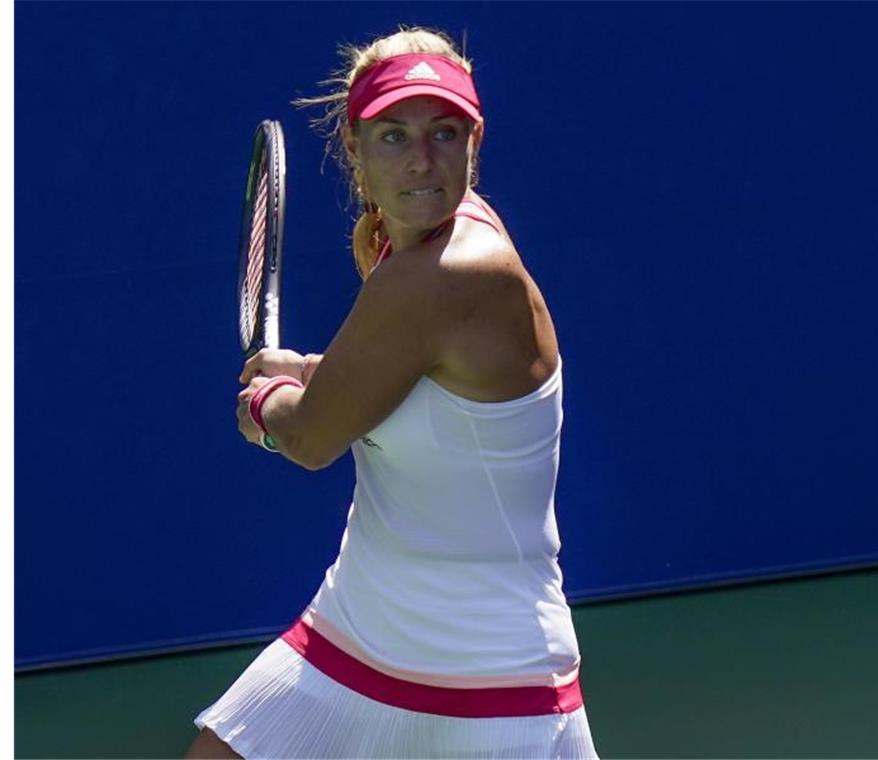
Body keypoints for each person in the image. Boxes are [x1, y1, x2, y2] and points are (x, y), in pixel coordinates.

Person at [186, 27, 599, 759]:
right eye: (393, 136)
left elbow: (310, 439)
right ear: (355, 151)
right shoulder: (402, 249)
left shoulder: (453, 268)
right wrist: (313, 371)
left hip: (493, 674)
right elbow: (416, 386)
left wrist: (263, 407)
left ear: (476, 139)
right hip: (364, 627)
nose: (422, 159)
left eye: (445, 133)